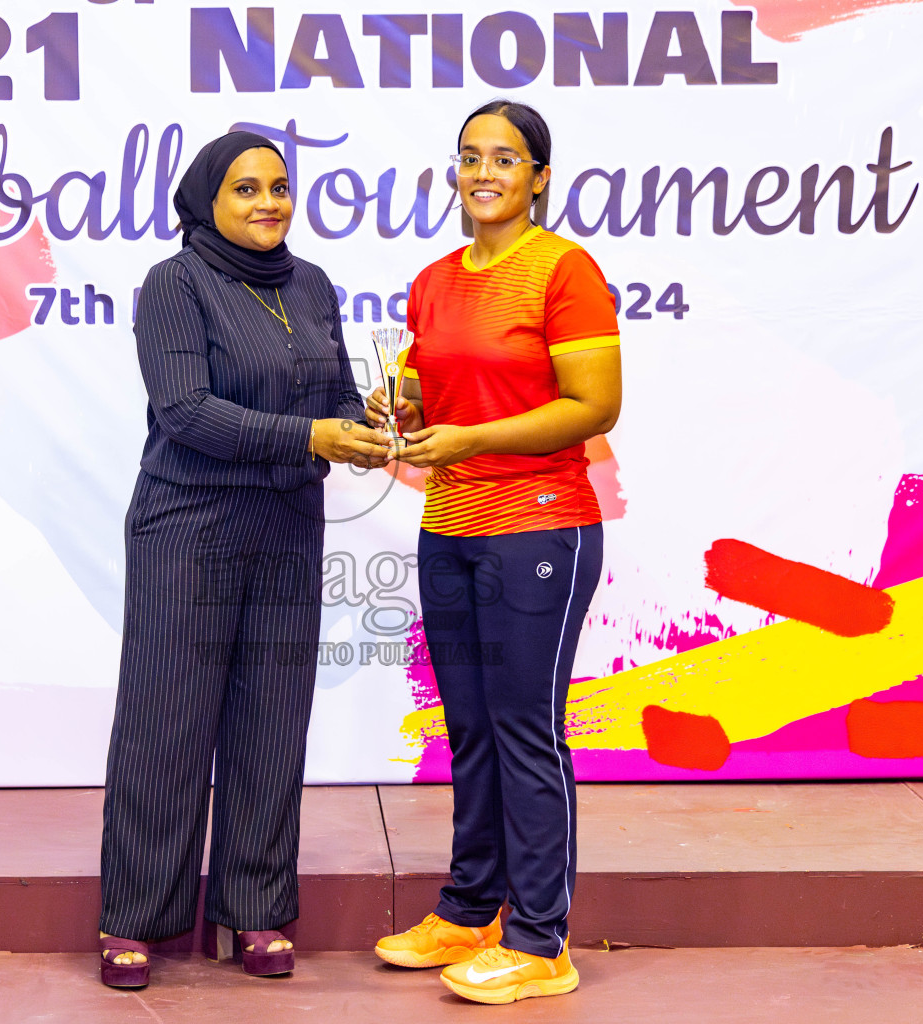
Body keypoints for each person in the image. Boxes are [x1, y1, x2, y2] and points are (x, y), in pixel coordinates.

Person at [99, 131, 390, 988]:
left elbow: (332, 394)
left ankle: (253, 911)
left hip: (286, 527)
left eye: (280, 186)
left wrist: (365, 417)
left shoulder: (309, 286)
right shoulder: (175, 285)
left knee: (270, 723)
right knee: (167, 725)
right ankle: (134, 919)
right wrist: (313, 434)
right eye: (246, 188)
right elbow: (187, 411)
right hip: (188, 526)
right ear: (208, 201)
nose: (269, 202)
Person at [368, 100, 623, 1004]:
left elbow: (594, 407)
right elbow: (426, 385)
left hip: (541, 527)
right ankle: (471, 909)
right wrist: (400, 411)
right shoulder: (435, 279)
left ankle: (541, 940)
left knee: (525, 732)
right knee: (468, 730)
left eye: (506, 158)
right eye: (470, 156)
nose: (485, 172)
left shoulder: (563, 270)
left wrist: (472, 441)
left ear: (539, 177)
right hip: (452, 529)